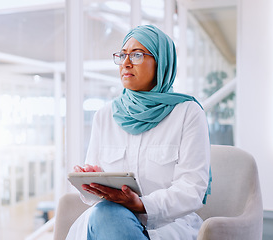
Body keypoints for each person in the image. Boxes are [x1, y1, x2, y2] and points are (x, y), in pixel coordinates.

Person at [66, 25, 211, 240]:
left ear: (161, 63)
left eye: (137, 55)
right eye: (122, 55)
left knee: (107, 215)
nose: (126, 62)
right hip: (106, 222)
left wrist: (142, 204)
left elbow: (192, 189)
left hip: (166, 226)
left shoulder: (188, 113)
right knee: (106, 213)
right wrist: (93, 180)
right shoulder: (105, 115)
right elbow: (92, 199)